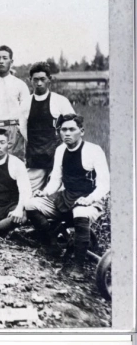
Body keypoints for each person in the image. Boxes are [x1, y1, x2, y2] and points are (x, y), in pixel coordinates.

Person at [26, 113, 110, 279]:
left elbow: (105, 184)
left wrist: (89, 199)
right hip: (66, 199)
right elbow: (56, 179)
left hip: (90, 201)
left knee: (80, 212)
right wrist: (45, 192)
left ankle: (78, 266)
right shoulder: (60, 150)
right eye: (63, 129)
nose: (67, 133)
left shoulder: (94, 151)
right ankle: (51, 244)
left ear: (82, 131)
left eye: (72, 129)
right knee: (30, 204)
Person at [19, 62, 74, 193]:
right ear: (30, 80)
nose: (39, 83)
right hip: (35, 158)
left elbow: (73, 126)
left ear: (49, 80)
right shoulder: (25, 103)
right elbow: (22, 128)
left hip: (57, 156)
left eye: (42, 79)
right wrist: (36, 144)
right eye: (35, 79)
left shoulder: (60, 101)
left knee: (58, 193)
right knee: (28, 195)